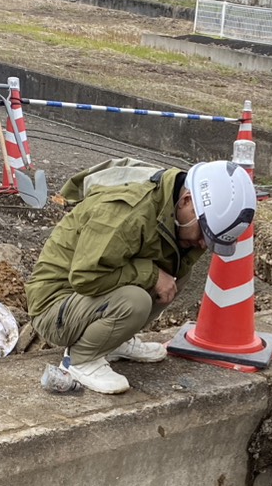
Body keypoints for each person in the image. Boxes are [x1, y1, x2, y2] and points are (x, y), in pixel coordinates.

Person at [25, 160, 257, 395]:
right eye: (204, 234)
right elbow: (86, 276)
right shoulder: (128, 213)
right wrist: (153, 275)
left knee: (176, 277)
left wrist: (158, 275)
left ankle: (113, 340)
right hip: (55, 306)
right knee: (136, 300)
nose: (201, 244)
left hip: (83, 298)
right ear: (187, 201)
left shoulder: (170, 210)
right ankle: (81, 359)